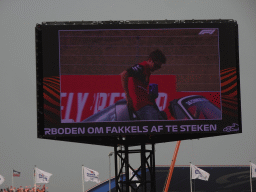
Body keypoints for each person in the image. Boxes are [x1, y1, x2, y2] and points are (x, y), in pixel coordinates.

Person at [120, 49, 166, 120]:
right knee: (158, 126)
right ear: (150, 60)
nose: (156, 68)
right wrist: (127, 95)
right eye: (156, 65)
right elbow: (124, 74)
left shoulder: (147, 71)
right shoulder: (141, 67)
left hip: (147, 104)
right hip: (141, 106)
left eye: (159, 67)